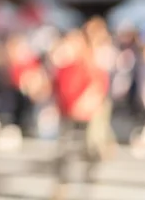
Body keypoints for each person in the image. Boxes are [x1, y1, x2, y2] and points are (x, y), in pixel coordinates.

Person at [50, 30, 110, 200]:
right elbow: (55, 89)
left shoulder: (89, 63)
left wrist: (85, 103)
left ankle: (88, 183)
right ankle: (62, 186)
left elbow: (99, 87)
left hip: (86, 117)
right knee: (64, 153)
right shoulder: (62, 66)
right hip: (67, 116)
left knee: (89, 151)